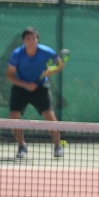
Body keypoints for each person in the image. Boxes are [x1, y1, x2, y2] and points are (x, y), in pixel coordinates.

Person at [6, 27, 66, 159]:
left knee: (50, 116)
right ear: (24, 41)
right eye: (28, 39)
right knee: (13, 118)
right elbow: (9, 75)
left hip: (40, 87)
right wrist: (26, 84)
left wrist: (52, 71)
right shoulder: (17, 54)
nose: (31, 41)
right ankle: (22, 145)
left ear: (37, 40)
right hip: (20, 87)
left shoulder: (46, 51)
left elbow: (60, 64)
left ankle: (58, 146)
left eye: (34, 38)